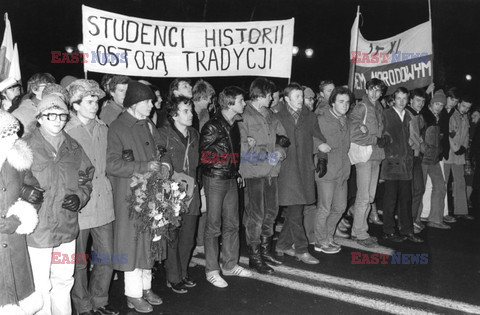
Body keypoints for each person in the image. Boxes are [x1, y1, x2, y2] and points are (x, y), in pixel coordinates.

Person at [25, 95, 93, 315]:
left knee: (64, 280)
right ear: (40, 118)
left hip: (66, 225)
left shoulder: (74, 148)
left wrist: (80, 197)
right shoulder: (24, 146)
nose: (57, 120)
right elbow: (7, 182)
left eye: (62, 115)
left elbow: (86, 177)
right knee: (40, 285)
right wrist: (25, 192)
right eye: (50, 115)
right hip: (38, 228)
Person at [106, 81, 170, 313]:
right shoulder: (117, 127)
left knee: (149, 242)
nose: (153, 105)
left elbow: (160, 152)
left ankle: (145, 287)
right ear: (134, 103)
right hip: (129, 198)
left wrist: (164, 166)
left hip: (150, 194)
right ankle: (132, 294)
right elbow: (111, 164)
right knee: (132, 245)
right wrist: (145, 166)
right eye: (148, 101)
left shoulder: (148, 125)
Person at [65, 80, 118, 315]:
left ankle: (100, 301)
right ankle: (83, 306)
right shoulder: (66, 131)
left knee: (106, 256)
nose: (95, 104)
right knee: (78, 262)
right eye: (89, 101)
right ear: (75, 105)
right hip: (80, 204)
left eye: (96, 100)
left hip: (104, 202)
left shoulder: (104, 128)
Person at [200, 86, 252, 288]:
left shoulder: (233, 124)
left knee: (232, 224)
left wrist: (235, 171)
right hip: (215, 179)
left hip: (230, 178)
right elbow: (203, 156)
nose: (244, 103)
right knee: (213, 226)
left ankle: (230, 265)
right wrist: (225, 165)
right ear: (230, 103)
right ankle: (212, 270)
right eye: (241, 100)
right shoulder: (213, 126)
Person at [274, 83, 329, 264]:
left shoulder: (310, 117)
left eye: (302, 96)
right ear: (287, 99)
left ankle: (282, 245)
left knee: (296, 209)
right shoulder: (277, 117)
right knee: (296, 209)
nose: (301, 100)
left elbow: (319, 138)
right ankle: (301, 249)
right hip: (286, 169)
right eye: (297, 97)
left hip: (304, 167)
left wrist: (322, 157)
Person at [239, 78, 288, 274]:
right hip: (254, 173)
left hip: (271, 172)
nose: (272, 98)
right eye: (270, 95)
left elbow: (283, 140)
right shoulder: (243, 116)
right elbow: (242, 148)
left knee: (271, 213)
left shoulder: (272, 116)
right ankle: (254, 255)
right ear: (260, 95)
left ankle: (266, 250)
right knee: (256, 216)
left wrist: (278, 153)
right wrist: (266, 155)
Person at [0, 110, 43, 315]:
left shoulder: (17, 160)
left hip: (13, 245)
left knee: (18, 301)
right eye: (8, 134)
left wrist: (19, 218)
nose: (14, 139)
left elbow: (35, 194)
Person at [158, 96, 200, 294]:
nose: (191, 114)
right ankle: (173, 277)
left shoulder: (195, 134)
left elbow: (199, 164)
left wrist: (202, 191)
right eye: (186, 111)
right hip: (172, 192)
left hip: (192, 191)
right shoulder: (162, 134)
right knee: (172, 236)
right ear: (174, 114)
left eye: (191, 110)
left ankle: (183, 273)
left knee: (188, 237)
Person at [380, 87, 423, 243]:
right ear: (393, 99)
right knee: (390, 199)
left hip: (405, 163)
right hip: (392, 162)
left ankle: (407, 230)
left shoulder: (409, 116)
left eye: (405, 98)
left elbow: (412, 137)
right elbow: (382, 135)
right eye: (399, 98)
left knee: (406, 199)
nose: (402, 101)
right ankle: (388, 231)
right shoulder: (386, 114)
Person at [349, 78, 388, 247]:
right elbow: (354, 130)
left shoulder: (380, 107)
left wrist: (386, 138)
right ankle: (359, 232)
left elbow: (384, 130)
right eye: (371, 89)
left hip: (376, 156)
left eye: (378, 90)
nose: (374, 93)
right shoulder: (361, 107)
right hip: (365, 155)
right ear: (366, 90)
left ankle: (358, 225)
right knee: (364, 196)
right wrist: (374, 139)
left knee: (370, 196)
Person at [313, 87, 353, 254]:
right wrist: (318, 145)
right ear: (333, 102)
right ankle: (320, 241)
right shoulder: (321, 119)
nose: (345, 105)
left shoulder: (347, 121)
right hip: (326, 170)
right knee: (324, 208)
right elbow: (308, 136)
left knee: (340, 207)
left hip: (342, 172)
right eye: (341, 102)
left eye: (347, 102)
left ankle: (328, 237)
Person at [191, 79, 216, 257]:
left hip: (205, 164)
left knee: (205, 207)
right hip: (193, 164)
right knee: (193, 208)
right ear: (200, 96)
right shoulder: (189, 112)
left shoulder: (206, 113)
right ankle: (191, 244)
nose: (209, 101)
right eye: (207, 97)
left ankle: (200, 242)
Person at [421, 90, 450, 229]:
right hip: (422, 158)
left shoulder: (439, 117)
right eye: (436, 104)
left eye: (441, 105)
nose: (439, 107)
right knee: (418, 189)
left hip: (434, 158)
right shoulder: (423, 115)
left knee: (440, 186)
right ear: (431, 103)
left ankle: (435, 219)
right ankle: (413, 219)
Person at [443, 96, 473, 219]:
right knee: (444, 183)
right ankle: (442, 212)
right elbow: (448, 133)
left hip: (459, 155)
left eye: (468, 107)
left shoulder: (466, 117)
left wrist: (464, 148)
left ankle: (461, 211)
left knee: (460, 182)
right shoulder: (451, 114)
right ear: (459, 104)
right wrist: (456, 148)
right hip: (448, 154)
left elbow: (466, 135)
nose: (465, 109)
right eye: (463, 106)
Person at [405, 88, 427, 232]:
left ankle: (411, 219)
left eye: (423, 101)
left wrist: (422, 142)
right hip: (408, 156)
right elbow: (411, 137)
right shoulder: (406, 114)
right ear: (411, 100)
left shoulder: (420, 116)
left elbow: (422, 136)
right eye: (418, 100)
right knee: (409, 191)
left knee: (418, 189)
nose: (420, 103)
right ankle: (406, 222)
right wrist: (420, 144)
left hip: (417, 156)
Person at [438, 87, 460, 223]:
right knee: (437, 184)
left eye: (455, 101)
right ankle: (435, 213)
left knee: (442, 183)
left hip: (443, 152)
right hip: (435, 150)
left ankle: (443, 212)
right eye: (451, 99)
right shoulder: (439, 110)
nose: (452, 103)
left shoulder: (450, 111)